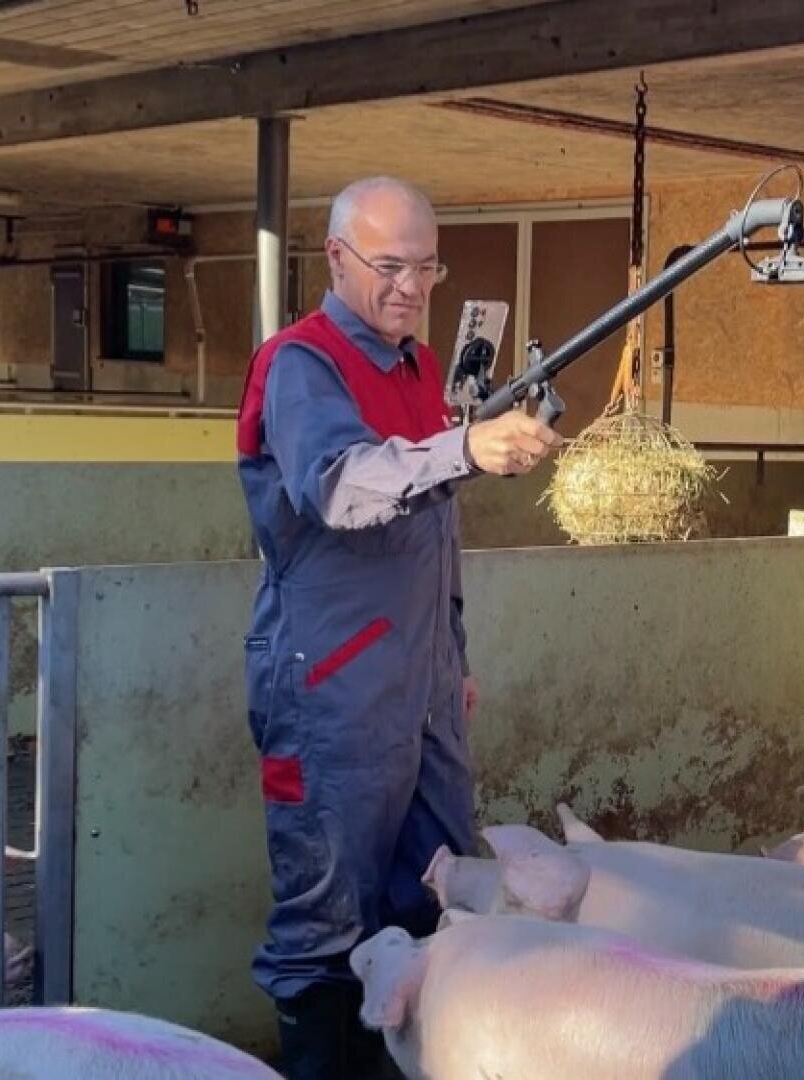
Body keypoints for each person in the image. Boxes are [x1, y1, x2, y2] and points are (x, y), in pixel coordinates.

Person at [234, 176, 561, 1079]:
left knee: (431, 900)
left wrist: (450, 659)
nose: (411, 288)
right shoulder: (301, 366)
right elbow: (338, 486)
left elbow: (433, 537)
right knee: (326, 926)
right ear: (336, 258)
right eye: (389, 266)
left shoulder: (418, 369)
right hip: (329, 693)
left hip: (421, 697)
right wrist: (465, 447)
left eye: (427, 268)